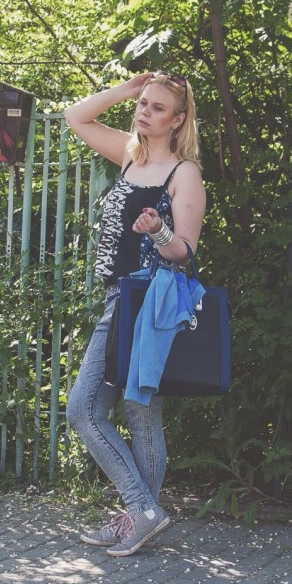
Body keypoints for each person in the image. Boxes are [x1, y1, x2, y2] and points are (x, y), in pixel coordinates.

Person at [63, 71, 206, 557]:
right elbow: (74, 116)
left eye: (157, 107)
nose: (145, 112)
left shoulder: (183, 173)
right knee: (124, 412)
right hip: (117, 299)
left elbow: (185, 251)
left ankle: (140, 511)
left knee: (90, 410)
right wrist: (125, 89)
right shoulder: (131, 155)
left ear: (179, 119)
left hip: (148, 304)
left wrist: (159, 231)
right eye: (143, 104)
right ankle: (138, 516)